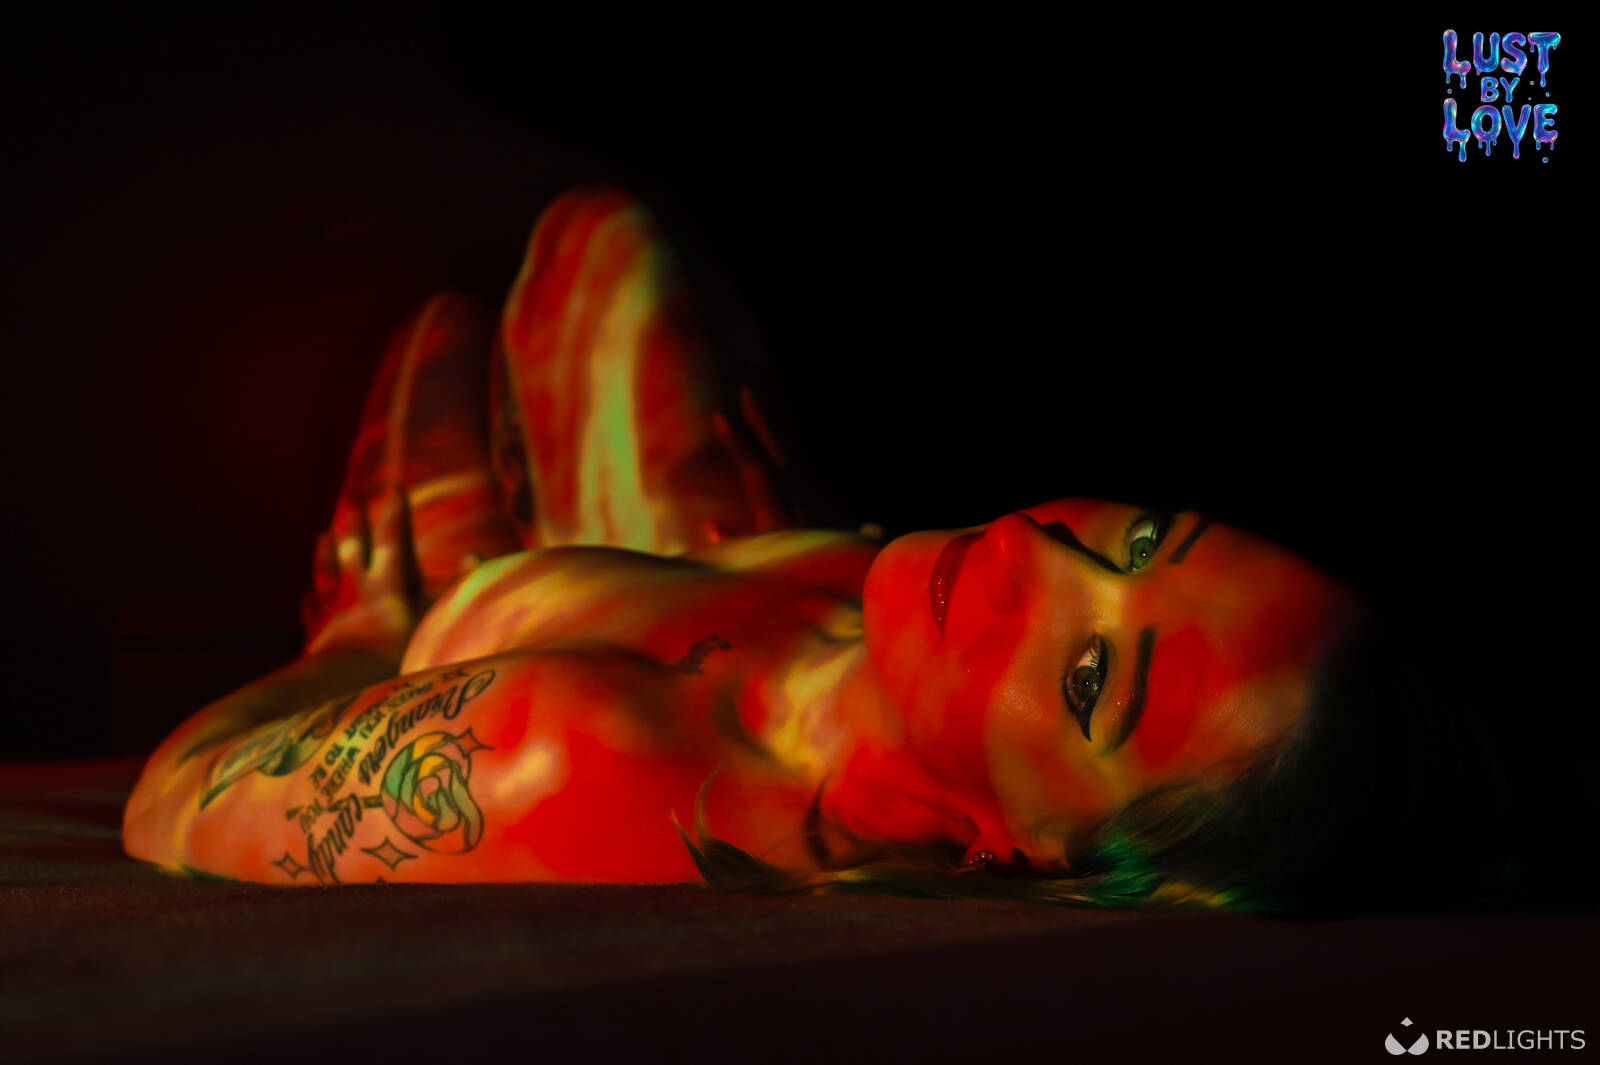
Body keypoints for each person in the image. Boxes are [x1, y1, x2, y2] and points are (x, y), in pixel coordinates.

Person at [121, 187, 1494, 914]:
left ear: (1034, 848)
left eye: (1088, 678)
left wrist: (361, 635)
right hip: (749, 589)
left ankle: (469, 573)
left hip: (486, 647)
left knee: (441, 331)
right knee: (605, 229)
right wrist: (798, 550)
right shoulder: (919, 595)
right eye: (1143, 537)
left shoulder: (574, 751)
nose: (1035, 551)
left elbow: (169, 798)